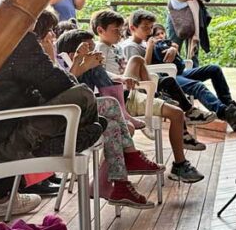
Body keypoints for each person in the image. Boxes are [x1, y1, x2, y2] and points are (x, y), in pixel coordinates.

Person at [0, 9, 105, 217]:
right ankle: (51, 146)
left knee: (92, 117)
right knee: (84, 97)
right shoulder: (17, 41)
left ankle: (60, 142)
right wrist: (52, 57)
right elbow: (58, 86)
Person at [87, 9, 205, 182]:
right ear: (100, 30)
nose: (119, 34)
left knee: (177, 112)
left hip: (132, 93)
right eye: (115, 30)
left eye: (121, 30)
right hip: (120, 99)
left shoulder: (115, 48)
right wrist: (121, 78)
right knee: (137, 61)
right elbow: (98, 73)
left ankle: (180, 164)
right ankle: (179, 163)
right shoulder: (100, 48)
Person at [54, 30, 167, 207]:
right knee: (112, 104)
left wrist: (87, 64)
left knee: (113, 125)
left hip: (88, 111)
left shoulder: (57, 64)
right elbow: (68, 95)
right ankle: (130, 152)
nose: (50, 40)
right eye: (46, 37)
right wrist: (80, 64)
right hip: (69, 118)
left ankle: (119, 185)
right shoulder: (52, 66)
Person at [122, 10, 216, 127]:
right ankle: (190, 113)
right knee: (171, 83)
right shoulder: (130, 46)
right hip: (143, 86)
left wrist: (173, 48)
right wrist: (150, 48)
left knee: (172, 84)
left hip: (158, 78)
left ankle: (189, 117)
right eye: (145, 28)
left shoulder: (144, 43)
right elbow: (140, 67)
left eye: (151, 28)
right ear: (133, 28)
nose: (149, 31)